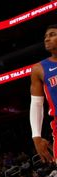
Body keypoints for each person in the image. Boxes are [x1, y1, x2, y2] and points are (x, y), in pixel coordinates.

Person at [28, 24, 57, 164]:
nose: (47, 39)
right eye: (46, 36)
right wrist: (36, 136)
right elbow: (36, 104)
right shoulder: (39, 69)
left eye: (52, 34)